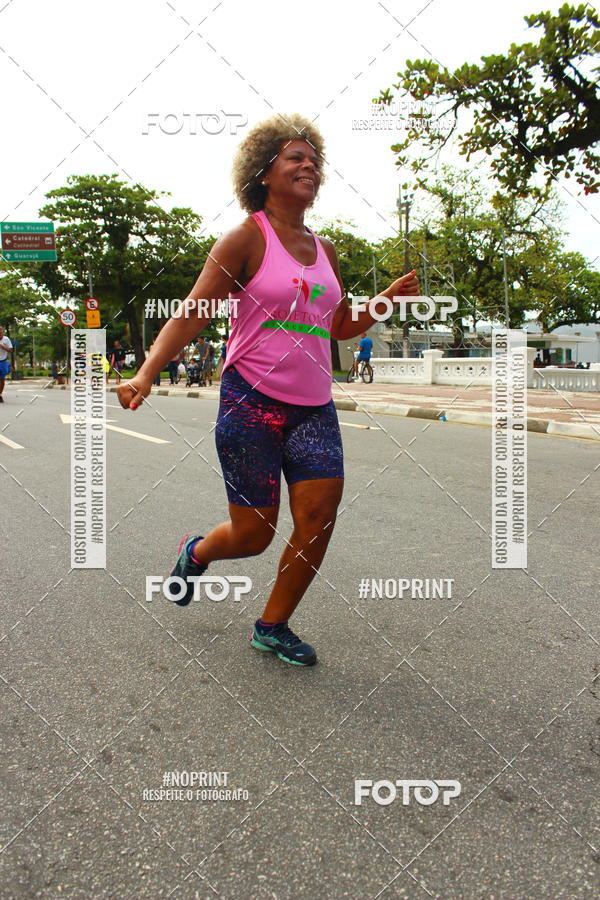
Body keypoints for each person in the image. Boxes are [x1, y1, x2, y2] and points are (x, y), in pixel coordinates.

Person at [116, 113, 419, 667]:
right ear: (264, 172)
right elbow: (191, 315)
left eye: (314, 160)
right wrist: (146, 371)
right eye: (294, 158)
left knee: (318, 518)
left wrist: (386, 301)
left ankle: (273, 624)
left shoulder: (324, 250)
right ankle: (197, 551)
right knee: (254, 534)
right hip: (250, 403)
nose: (309, 166)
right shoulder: (245, 238)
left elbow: (338, 323)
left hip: (314, 409)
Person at [0, 326, 13, 403]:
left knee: (2, 380)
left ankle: (0, 394)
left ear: (2, 332)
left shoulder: (6, 339)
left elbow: (10, 350)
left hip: (3, 361)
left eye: (0, 331)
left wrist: (3, 347)